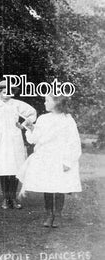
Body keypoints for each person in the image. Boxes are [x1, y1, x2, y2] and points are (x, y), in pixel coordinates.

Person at [17, 95, 82, 228]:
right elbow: (34, 139)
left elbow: (74, 142)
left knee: (59, 187)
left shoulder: (67, 120)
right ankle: (49, 214)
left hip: (60, 157)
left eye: (47, 101)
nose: (45, 103)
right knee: (47, 186)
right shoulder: (43, 119)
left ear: (57, 103)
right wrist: (30, 128)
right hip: (45, 157)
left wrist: (68, 162)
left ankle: (57, 215)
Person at [0, 80, 36, 209]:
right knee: (4, 169)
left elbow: (32, 113)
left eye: (9, 91)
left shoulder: (16, 104)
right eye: (4, 91)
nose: (7, 94)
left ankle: (13, 197)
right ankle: (6, 198)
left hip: (14, 139)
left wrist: (23, 125)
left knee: (15, 168)